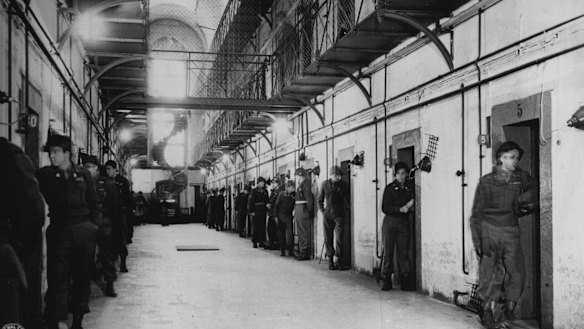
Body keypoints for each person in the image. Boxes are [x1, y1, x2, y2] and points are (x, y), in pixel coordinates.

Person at [470, 141, 537, 328]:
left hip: (511, 231)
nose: (515, 161)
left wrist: (524, 200)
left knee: (517, 272)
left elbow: (535, 187)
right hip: (490, 230)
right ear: (501, 158)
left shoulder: (520, 177)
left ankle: (509, 308)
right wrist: (480, 241)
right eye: (511, 157)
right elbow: (476, 214)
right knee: (489, 274)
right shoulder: (486, 181)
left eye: (516, 157)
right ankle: (486, 310)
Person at [36, 135, 98, 329]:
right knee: (58, 277)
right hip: (60, 230)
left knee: (82, 276)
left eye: (55, 152)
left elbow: (94, 202)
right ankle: (59, 319)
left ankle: (78, 319)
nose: (52, 156)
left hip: (83, 230)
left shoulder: (83, 174)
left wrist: (94, 227)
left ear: (66, 153)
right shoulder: (45, 175)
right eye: (50, 153)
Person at [0, 137, 45, 329]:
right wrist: (19, 251)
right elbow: (33, 212)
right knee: (9, 313)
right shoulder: (9, 155)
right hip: (6, 249)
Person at [83, 155, 123, 298]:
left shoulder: (107, 184)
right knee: (84, 258)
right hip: (87, 226)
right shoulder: (81, 182)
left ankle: (110, 284)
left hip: (104, 226)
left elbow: (115, 209)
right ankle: (83, 292)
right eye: (84, 167)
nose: (86, 170)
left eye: (89, 167)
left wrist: (116, 230)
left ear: (96, 168)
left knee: (107, 256)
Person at [381, 161, 415, 291]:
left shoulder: (409, 188)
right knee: (388, 252)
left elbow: (413, 204)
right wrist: (399, 209)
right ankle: (386, 279)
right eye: (399, 174)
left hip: (403, 223)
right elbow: (385, 207)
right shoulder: (389, 188)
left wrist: (409, 208)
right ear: (395, 175)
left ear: (406, 174)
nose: (401, 176)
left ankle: (405, 281)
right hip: (390, 222)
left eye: (403, 174)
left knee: (403, 252)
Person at [318, 165, 350, 270]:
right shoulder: (325, 184)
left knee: (339, 237)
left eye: (339, 175)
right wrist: (323, 211)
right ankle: (330, 260)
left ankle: (339, 260)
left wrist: (346, 209)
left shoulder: (343, 185)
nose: (338, 177)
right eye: (336, 175)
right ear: (331, 175)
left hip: (339, 213)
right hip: (328, 213)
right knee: (328, 237)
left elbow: (348, 198)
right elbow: (320, 199)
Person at [104, 160, 129, 273]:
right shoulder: (104, 181)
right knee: (110, 239)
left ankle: (123, 262)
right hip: (108, 214)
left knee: (120, 238)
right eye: (106, 169)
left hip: (119, 214)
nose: (107, 171)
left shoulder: (122, 182)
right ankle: (112, 262)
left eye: (109, 169)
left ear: (115, 169)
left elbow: (127, 197)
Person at [294, 168, 314, 261]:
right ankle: (302, 249)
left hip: (303, 208)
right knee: (300, 230)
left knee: (303, 230)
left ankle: (305, 251)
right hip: (299, 208)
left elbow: (309, 199)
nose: (297, 177)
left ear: (301, 176)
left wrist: (309, 211)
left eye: (298, 176)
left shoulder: (306, 185)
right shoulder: (301, 185)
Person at [274, 180, 296, 257]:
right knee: (281, 234)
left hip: (289, 217)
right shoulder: (281, 194)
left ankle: (290, 250)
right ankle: (282, 250)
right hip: (281, 216)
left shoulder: (294, 196)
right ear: (287, 187)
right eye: (291, 187)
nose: (293, 189)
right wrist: (276, 216)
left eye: (293, 187)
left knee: (290, 235)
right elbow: (276, 206)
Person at [248, 177, 269, 248]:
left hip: (263, 210)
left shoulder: (265, 191)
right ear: (258, 183)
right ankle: (254, 242)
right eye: (261, 182)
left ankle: (261, 241)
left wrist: (267, 207)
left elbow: (267, 200)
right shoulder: (254, 191)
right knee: (256, 227)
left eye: (263, 182)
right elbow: (251, 201)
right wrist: (251, 211)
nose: (262, 184)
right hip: (256, 210)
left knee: (262, 227)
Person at [266, 178, 281, 250]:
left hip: (275, 212)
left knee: (274, 229)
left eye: (274, 183)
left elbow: (277, 202)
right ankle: (271, 242)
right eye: (273, 183)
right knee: (270, 228)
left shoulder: (279, 191)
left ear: (278, 183)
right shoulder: (274, 191)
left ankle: (275, 243)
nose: (273, 184)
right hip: (271, 212)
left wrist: (271, 204)